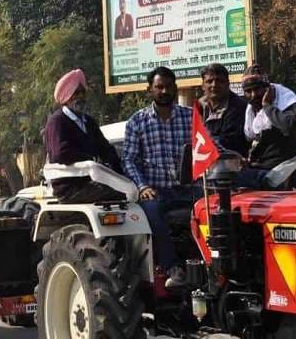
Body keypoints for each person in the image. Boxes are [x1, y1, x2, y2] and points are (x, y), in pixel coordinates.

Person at [123, 66, 195, 289]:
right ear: (149, 90)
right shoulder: (137, 122)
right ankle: (173, 267)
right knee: (152, 213)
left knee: (215, 207)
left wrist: (230, 157)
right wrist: (142, 186)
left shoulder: (191, 117)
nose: (164, 91)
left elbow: (208, 145)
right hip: (156, 190)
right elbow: (129, 160)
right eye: (159, 87)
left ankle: (212, 265)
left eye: (168, 86)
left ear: (175, 88)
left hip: (187, 188)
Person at [43, 68, 124, 203]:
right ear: (67, 96)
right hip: (69, 188)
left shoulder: (88, 121)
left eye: (82, 93)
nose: (80, 97)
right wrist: (91, 159)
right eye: (76, 93)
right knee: (121, 192)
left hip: (93, 181)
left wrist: (119, 169)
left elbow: (105, 149)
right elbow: (60, 154)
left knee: (130, 187)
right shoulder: (57, 121)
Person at [236, 64, 296, 189]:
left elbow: (289, 126)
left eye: (257, 89)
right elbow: (251, 138)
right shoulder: (250, 109)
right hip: (258, 166)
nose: (253, 95)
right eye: (248, 91)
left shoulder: (285, 100)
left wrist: (268, 106)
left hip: (281, 167)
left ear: (267, 89)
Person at [199, 63, 248, 157]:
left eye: (219, 81)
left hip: (231, 163)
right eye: (209, 81)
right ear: (203, 86)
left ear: (227, 83)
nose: (214, 85)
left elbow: (228, 142)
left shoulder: (239, 107)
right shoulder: (198, 106)